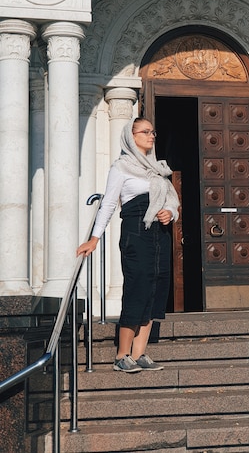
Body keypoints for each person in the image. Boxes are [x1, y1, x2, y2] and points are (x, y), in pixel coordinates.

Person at [77, 117, 180, 373]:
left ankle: (139, 352)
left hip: (159, 234)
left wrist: (170, 212)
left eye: (152, 131)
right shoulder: (121, 167)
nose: (151, 135)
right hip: (135, 232)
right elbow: (109, 204)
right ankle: (122, 355)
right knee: (138, 286)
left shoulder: (157, 169)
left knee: (156, 287)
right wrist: (94, 237)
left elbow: (171, 202)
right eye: (145, 131)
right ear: (130, 136)